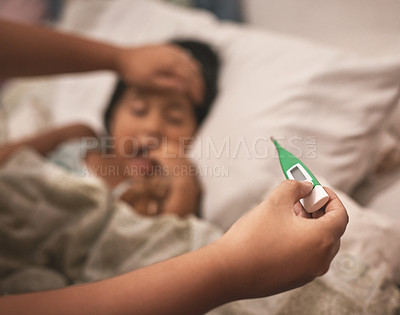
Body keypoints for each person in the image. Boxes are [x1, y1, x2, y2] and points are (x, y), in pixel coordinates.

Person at [0, 19, 349, 315]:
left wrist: (182, 181)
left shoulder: (171, 181)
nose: (152, 128)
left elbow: (158, 246)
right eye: (138, 110)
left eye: (175, 118)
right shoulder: (79, 137)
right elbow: (9, 160)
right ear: (111, 113)